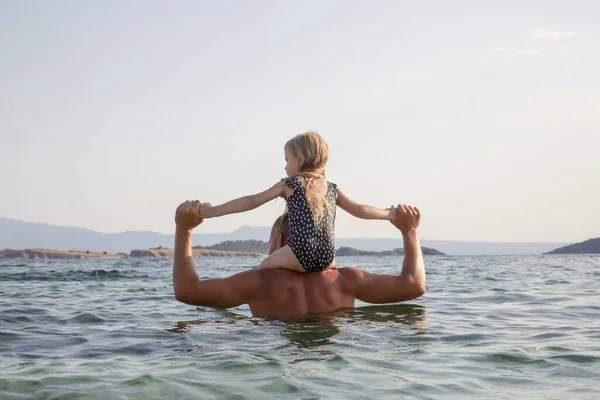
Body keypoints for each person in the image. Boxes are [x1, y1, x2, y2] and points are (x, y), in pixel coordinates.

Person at [173, 200, 425, 319]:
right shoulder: (345, 280)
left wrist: (184, 229)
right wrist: (410, 232)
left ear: (280, 240)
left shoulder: (258, 282)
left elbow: (187, 291)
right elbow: (413, 285)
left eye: (269, 241)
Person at [198, 131, 397, 273]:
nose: (285, 166)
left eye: (287, 160)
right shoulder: (332, 188)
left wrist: (210, 211)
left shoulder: (290, 183)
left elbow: (251, 201)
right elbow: (359, 210)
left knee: (255, 273)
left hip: (298, 254)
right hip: (328, 259)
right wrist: (389, 213)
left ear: (300, 159)